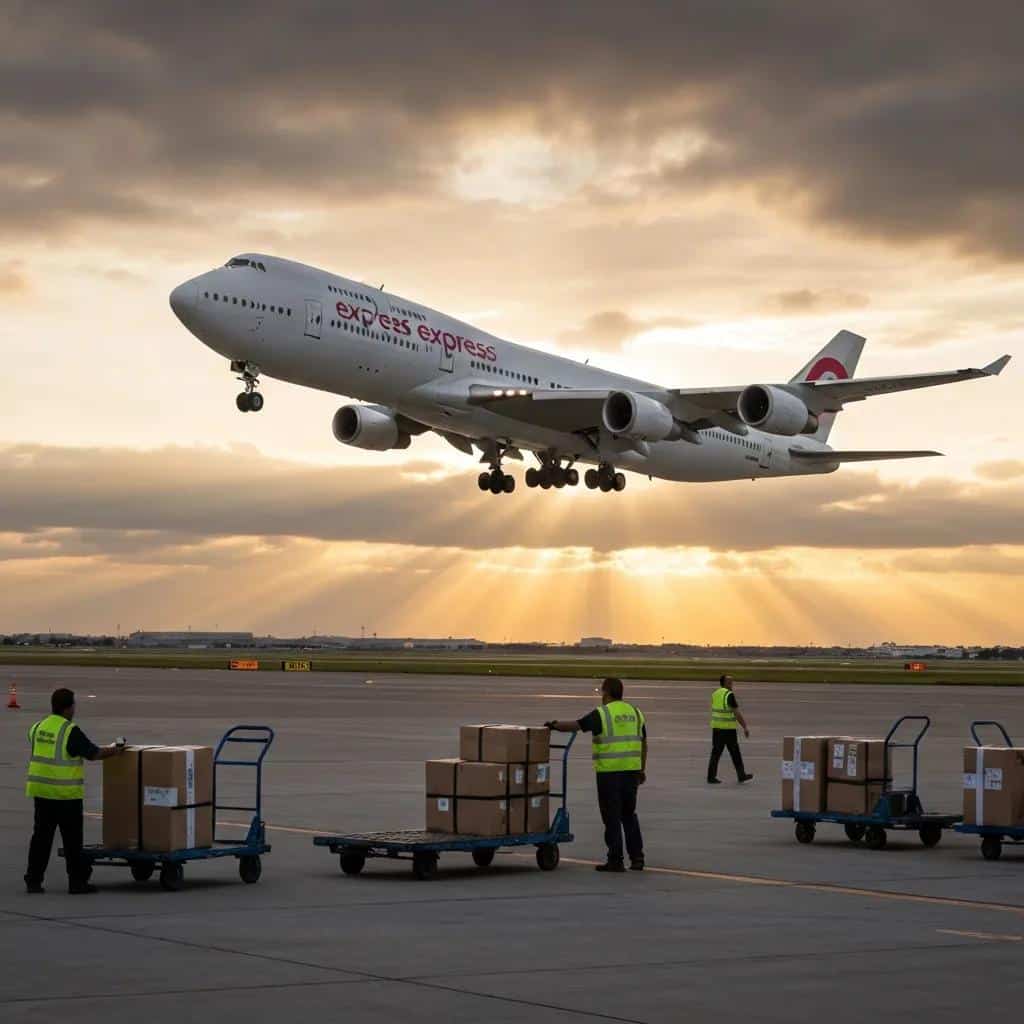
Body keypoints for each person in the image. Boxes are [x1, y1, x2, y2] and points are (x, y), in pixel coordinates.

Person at [25, 687, 125, 894]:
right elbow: (94, 753)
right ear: (69, 708)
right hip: (65, 795)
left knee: (41, 839)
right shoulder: (69, 730)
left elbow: (35, 743)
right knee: (72, 841)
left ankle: (33, 880)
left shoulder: (37, 727)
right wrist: (116, 750)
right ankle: (77, 882)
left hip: (41, 792)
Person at [545, 677, 647, 872]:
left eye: (602, 692)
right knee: (629, 815)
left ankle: (615, 860)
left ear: (607, 693)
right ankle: (637, 858)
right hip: (631, 772)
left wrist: (554, 725)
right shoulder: (635, 712)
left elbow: (577, 725)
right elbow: (644, 743)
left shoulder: (603, 714)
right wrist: (642, 769)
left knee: (611, 816)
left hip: (609, 773)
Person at [707, 674, 753, 784]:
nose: (732, 684)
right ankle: (741, 775)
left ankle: (711, 776)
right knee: (735, 752)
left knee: (716, 753)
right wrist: (745, 727)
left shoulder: (715, 694)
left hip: (717, 728)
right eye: (729, 682)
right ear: (724, 683)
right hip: (728, 729)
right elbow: (736, 713)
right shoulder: (729, 695)